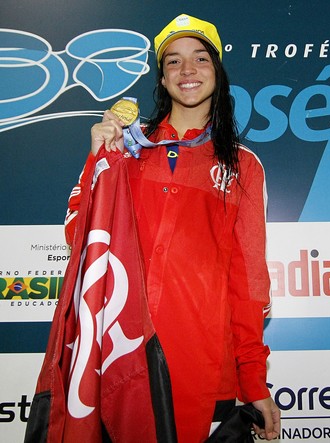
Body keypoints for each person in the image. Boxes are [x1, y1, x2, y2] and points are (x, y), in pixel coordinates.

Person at [65, 13, 281, 442]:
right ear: (162, 80)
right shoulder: (126, 147)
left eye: (200, 59)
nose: (187, 71)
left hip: (198, 360)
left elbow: (249, 281)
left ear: (217, 73)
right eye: (173, 62)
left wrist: (253, 380)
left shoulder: (244, 167)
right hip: (118, 355)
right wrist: (97, 161)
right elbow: (80, 237)